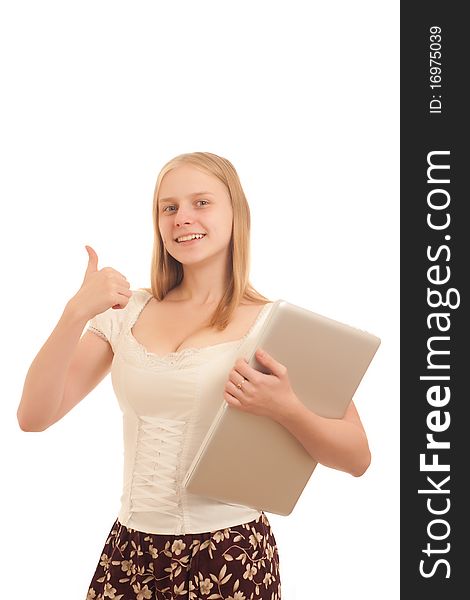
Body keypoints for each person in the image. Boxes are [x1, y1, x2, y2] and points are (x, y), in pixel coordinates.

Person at [17, 151, 371, 600]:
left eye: (201, 202)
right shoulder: (126, 313)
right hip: (131, 550)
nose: (183, 217)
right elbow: (33, 416)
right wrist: (74, 313)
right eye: (169, 207)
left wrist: (285, 409)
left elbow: (357, 456)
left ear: (235, 214)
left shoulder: (275, 326)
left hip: (231, 555)